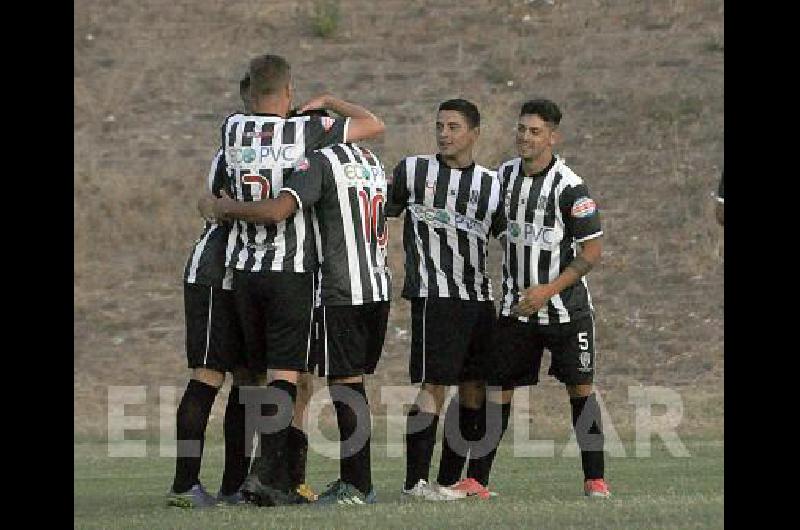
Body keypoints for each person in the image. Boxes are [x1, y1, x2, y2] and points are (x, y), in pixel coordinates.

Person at [206, 53, 385, 506]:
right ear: (289, 91)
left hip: (244, 270)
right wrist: (326, 101)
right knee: (289, 375)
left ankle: (249, 478)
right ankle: (269, 476)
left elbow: (222, 181)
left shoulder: (231, 128)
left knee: (252, 377)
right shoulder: (310, 134)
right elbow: (372, 125)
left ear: (249, 91)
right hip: (293, 273)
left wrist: (226, 207)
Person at [473, 98, 611, 498]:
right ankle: (477, 480)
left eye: (535, 131)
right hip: (517, 310)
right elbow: (495, 224)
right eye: (521, 129)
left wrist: (547, 291)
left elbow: (592, 251)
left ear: (553, 136)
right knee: (497, 390)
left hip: (566, 311)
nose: (525, 138)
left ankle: (595, 479)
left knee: (580, 391)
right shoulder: (504, 177)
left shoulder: (570, 186)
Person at [383, 99, 506, 501]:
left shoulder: (492, 186)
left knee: (474, 389)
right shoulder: (414, 170)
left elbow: (508, 240)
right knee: (434, 385)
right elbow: (379, 215)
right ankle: (415, 483)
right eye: (439, 126)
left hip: (478, 299)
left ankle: (450, 480)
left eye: (454, 127)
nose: (444, 134)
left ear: (474, 133)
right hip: (435, 296)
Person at [166, 74, 258, 509]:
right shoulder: (235, 150)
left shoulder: (275, 143)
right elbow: (213, 202)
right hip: (215, 274)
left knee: (248, 379)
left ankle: (234, 486)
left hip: (254, 276)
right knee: (208, 375)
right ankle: (185, 485)